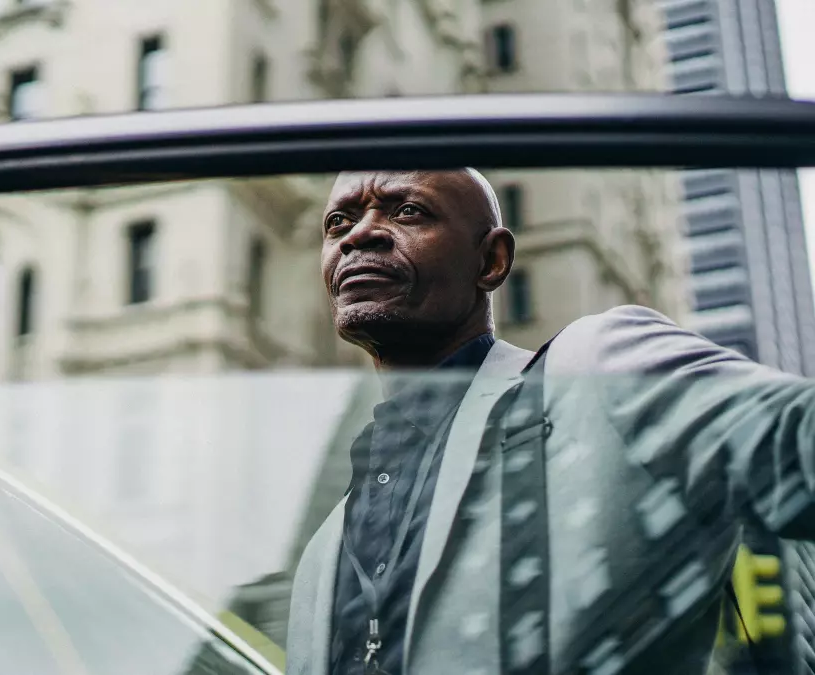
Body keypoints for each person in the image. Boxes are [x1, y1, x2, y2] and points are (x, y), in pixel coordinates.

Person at [285, 169, 815, 675]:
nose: (360, 235)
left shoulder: (598, 367)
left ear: (491, 261)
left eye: (406, 210)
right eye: (338, 222)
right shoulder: (321, 552)